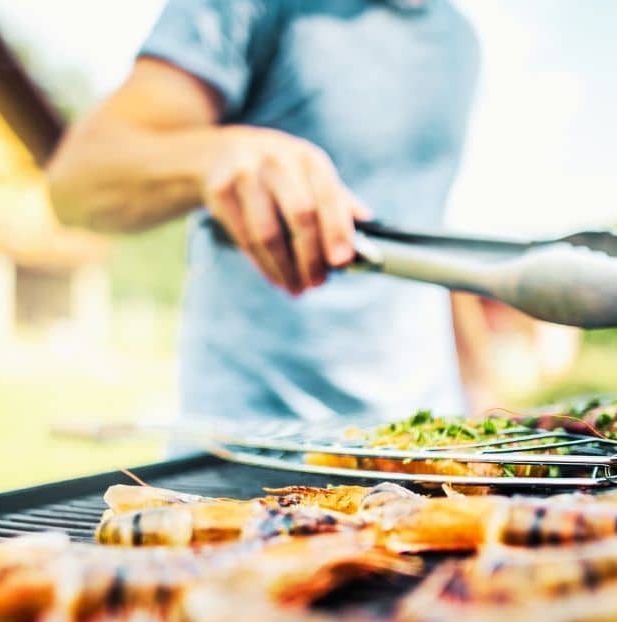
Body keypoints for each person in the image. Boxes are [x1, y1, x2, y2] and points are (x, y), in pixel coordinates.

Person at [48, 0, 565, 423]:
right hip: (253, 448)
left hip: (419, 444)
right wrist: (214, 155)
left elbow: (424, 228)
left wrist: (483, 395)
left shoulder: (458, 40)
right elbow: (77, 181)